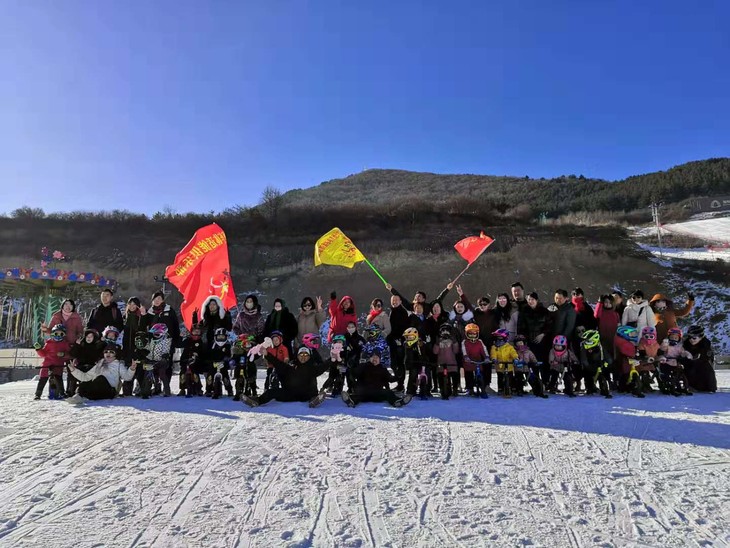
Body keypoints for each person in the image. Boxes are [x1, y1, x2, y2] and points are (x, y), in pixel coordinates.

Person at [241, 341, 331, 407]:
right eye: (301, 355)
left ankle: (314, 400)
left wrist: (333, 358)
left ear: (309, 356)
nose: (303, 357)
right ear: (297, 356)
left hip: (307, 394)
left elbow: (324, 366)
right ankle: (257, 401)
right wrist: (267, 354)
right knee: (271, 392)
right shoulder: (292, 366)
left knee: (313, 391)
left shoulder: (312, 367)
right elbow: (278, 364)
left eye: (305, 355)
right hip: (291, 394)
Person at [341, 349, 413, 408]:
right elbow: (355, 374)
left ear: (379, 359)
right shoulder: (364, 366)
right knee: (358, 394)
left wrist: (398, 375)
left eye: (377, 358)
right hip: (365, 392)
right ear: (370, 358)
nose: (375, 359)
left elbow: (390, 379)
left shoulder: (382, 369)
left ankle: (397, 402)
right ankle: (351, 401)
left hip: (377, 392)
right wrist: (351, 367)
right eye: (373, 357)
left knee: (389, 393)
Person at [67, 344, 136, 402]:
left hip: (109, 390)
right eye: (106, 352)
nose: (108, 353)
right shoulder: (99, 364)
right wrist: (74, 370)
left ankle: (85, 396)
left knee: (101, 378)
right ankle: (78, 397)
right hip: (97, 389)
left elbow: (127, 377)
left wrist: (132, 369)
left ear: (115, 354)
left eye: (111, 352)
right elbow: (85, 377)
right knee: (84, 383)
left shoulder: (118, 365)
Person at [517, 292, 552, 380]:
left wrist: (543, 334)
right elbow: (521, 327)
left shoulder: (544, 311)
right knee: (532, 364)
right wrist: (524, 340)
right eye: (529, 299)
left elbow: (549, 325)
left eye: (532, 299)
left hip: (543, 342)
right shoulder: (524, 312)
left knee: (544, 363)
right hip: (529, 342)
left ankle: (546, 382)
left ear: (536, 300)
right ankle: (536, 382)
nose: (530, 301)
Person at [34, 324, 72, 400]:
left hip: (58, 365)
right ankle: (38, 394)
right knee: (43, 379)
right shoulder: (49, 343)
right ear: (52, 334)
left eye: (61, 334)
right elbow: (43, 354)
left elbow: (69, 355)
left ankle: (62, 392)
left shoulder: (65, 344)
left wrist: (63, 354)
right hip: (47, 365)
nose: (58, 336)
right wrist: (39, 349)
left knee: (58, 379)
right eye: (56, 333)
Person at [68, 328, 104, 397]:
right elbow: (73, 354)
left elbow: (102, 352)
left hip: (92, 367)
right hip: (81, 365)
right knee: (73, 373)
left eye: (91, 337)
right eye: (87, 336)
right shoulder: (81, 345)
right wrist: (76, 345)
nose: (88, 338)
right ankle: (71, 391)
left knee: (90, 375)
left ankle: (86, 391)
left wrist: (103, 341)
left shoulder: (97, 346)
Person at [121, 297, 145, 396]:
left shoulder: (141, 316)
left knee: (139, 369)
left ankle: (141, 388)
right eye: (130, 304)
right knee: (129, 368)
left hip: (139, 348)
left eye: (134, 304)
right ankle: (127, 390)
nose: (132, 306)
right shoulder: (125, 317)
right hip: (127, 348)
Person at [683, 325, 716, 393]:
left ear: (701, 337)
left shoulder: (706, 344)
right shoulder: (686, 343)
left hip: (703, 366)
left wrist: (697, 357)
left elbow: (707, 358)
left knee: (705, 366)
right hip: (690, 367)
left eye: (694, 338)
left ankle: (709, 387)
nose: (691, 339)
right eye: (689, 337)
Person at [490, 328, 519, 397]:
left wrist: (515, 358)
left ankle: (511, 388)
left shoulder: (509, 347)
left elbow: (513, 353)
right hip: (499, 365)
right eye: (497, 338)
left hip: (509, 365)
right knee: (500, 377)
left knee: (510, 377)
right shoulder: (494, 347)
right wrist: (494, 359)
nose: (499, 340)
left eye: (501, 339)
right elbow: (493, 353)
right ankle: (500, 389)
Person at [179, 323, 206, 397]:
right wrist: (180, 336)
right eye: (195, 332)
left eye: (198, 332)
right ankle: (182, 389)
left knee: (195, 372)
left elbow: (203, 353)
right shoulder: (188, 340)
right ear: (191, 332)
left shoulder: (201, 342)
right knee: (182, 373)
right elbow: (179, 344)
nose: (196, 334)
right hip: (186, 360)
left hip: (196, 362)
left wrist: (198, 356)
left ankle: (199, 388)